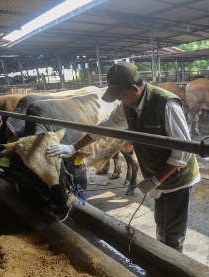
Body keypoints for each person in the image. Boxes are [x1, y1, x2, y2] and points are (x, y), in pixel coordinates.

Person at [47, 62, 200, 253]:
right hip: (157, 175)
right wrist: (72, 147)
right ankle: (163, 253)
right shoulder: (128, 107)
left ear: (134, 88)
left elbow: (183, 152)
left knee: (174, 232)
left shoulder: (167, 105)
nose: (120, 99)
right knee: (160, 222)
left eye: (121, 95)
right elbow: (105, 127)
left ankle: (175, 267)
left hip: (177, 178)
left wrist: (155, 180)